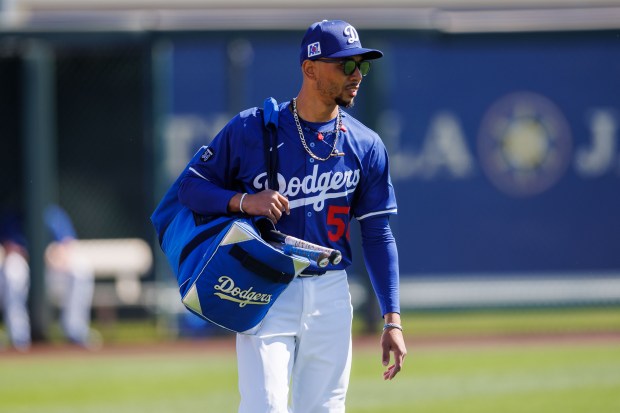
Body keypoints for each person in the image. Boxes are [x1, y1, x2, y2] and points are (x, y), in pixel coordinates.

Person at [178, 19, 407, 412]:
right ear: (310, 68)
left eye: (362, 66)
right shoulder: (254, 127)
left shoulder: (366, 144)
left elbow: (378, 234)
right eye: (346, 65)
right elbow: (191, 188)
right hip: (266, 283)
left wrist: (392, 319)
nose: (357, 76)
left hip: (331, 291)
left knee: (325, 409)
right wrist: (243, 201)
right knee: (263, 406)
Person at [0, 205, 96, 350]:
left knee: (80, 268)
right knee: (13, 269)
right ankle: (18, 337)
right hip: (24, 274)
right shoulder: (14, 217)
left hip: (51, 274)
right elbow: (10, 249)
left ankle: (75, 332)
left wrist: (53, 256)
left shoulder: (54, 215)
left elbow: (67, 247)